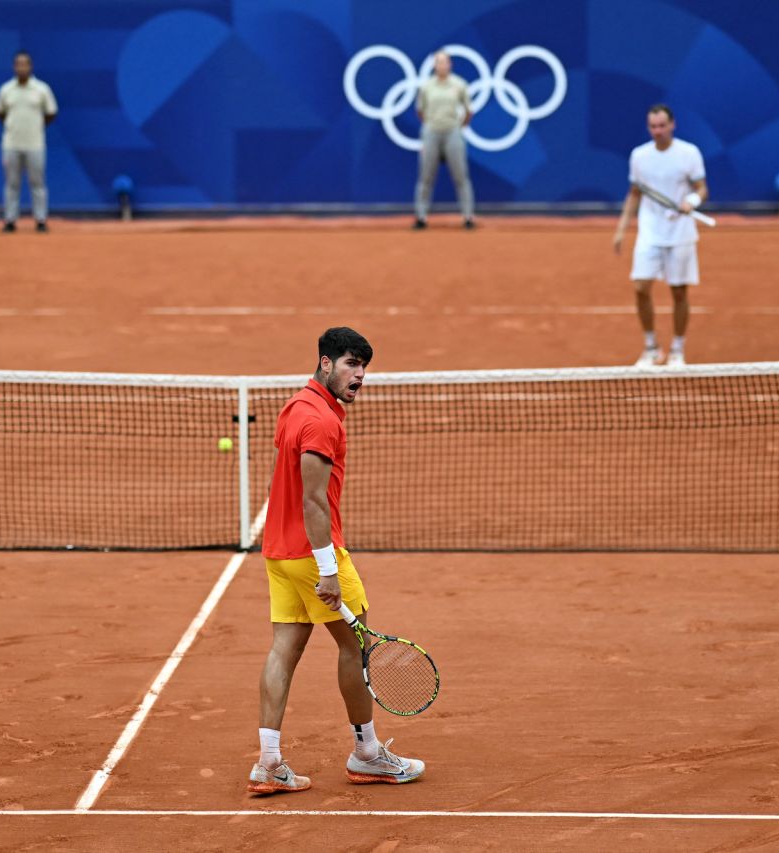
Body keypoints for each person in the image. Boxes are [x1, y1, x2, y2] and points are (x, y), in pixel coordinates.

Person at [249, 327, 425, 794]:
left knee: (283, 650)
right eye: (351, 364)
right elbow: (312, 501)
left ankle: (268, 763)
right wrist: (328, 569)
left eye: (363, 366)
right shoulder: (323, 423)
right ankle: (367, 755)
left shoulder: (294, 408)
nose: (360, 375)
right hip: (313, 554)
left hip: (279, 553)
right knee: (355, 647)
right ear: (325, 363)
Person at [612, 104, 708, 367]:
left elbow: (702, 189)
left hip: (680, 233)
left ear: (672, 125)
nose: (658, 131)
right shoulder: (639, 156)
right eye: (653, 127)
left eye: (662, 126)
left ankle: (677, 348)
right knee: (640, 287)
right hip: (650, 232)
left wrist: (690, 201)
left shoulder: (689, 153)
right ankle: (651, 347)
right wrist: (621, 229)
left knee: (679, 292)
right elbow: (634, 194)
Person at [0, 51, 57, 233]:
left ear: (30, 66)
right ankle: (10, 220)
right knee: (12, 184)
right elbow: (0, 112)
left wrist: (36, 127)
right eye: (18, 64)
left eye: (25, 64)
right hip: (11, 144)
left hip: (35, 144)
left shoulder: (41, 89)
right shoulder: (6, 89)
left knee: (37, 183)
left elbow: (51, 112)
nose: (22, 67)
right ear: (14, 67)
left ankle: (41, 220)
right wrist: (14, 127)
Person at [414, 50, 476, 230]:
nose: (442, 66)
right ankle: (421, 217)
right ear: (434, 66)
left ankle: (468, 217)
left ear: (450, 65)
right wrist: (432, 125)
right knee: (426, 177)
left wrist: (458, 127)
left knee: (461, 176)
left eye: (445, 62)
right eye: (438, 62)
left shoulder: (459, 84)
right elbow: (420, 111)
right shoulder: (426, 87)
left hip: (453, 133)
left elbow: (469, 110)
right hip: (431, 132)